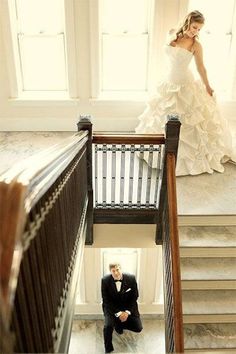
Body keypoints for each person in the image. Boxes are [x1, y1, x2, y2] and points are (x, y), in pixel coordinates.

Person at [135, 10, 235, 176]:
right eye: (195, 27)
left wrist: (208, 86)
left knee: (189, 122)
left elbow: (201, 67)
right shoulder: (171, 34)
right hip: (169, 82)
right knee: (160, 117)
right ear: (187, 22)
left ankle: (185, 159)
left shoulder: (196, 44)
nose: (196, 31)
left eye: (199, 29)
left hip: (185, 83)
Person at [101, 263, 143, 353]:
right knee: (108, 326)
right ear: (110, 271)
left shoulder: (131, 278)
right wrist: (119, 313)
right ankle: (108, 349)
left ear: (121, 269)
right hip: (112, 308)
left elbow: (135, 297)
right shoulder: (105, 280)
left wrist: (127, 312)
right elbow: (106, 301)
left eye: (117, 269)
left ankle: (119, 324)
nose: (116, 273)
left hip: (127, 306)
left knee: (138, 327)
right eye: (113, 271)